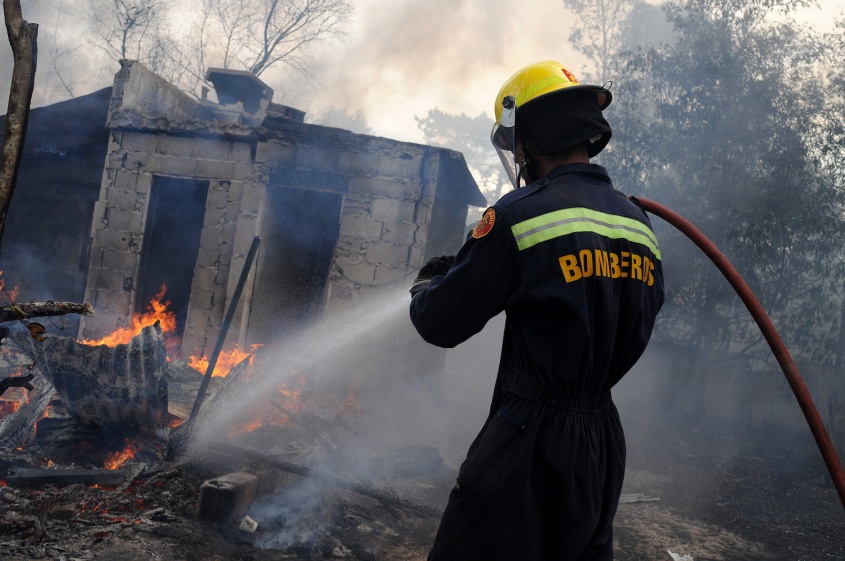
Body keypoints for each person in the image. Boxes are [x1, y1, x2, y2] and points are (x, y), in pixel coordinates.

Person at [408, 60, 665, 561]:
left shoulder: (519, 214)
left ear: (527, 138)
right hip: (602, 445)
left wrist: (428, 282)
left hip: (526, 444)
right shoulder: (640, 227)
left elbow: (439, 322)